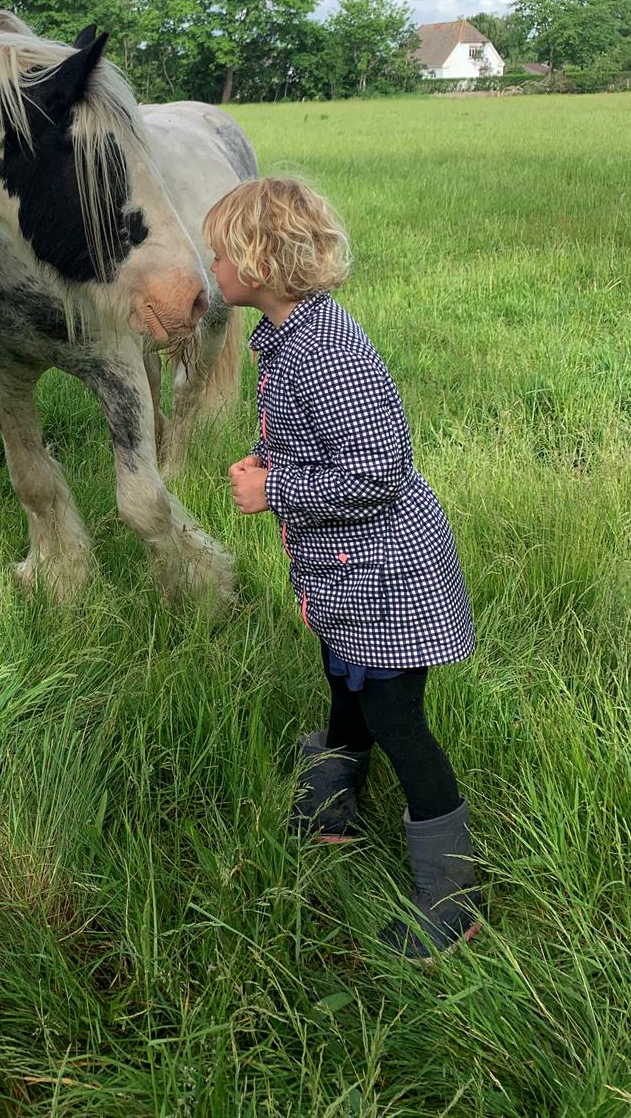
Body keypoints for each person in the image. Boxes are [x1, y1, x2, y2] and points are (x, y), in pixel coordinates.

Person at [203, 177, 481, 957]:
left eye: (221, 251)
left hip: (388, 576)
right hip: (347, 570)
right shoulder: (294, 336)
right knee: (343, 679)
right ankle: (334, 809)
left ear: (258, 264)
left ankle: (453, 899)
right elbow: (328, 441)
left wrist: (275, 488)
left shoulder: (326, 351)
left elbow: (378, 470)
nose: (212, 265)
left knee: (398, 719)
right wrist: (272, 455)